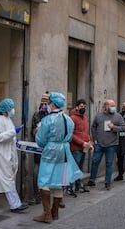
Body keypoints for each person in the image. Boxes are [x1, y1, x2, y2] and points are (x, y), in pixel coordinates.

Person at [33, 92, 83, 223]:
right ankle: (55, 212)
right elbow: (69, 137)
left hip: (51, 150)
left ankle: (47, 214)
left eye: (49, 103)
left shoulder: (48, 120)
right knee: (58, 181)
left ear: (53, 104)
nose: (47, 105)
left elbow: (41, 140)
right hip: (64, 151)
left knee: (43, 181)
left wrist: (38, 133)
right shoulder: (68, 119)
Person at [87, 99, 125, 190]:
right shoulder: (99, 116)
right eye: (111, 106)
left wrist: (114, 127)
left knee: (109, 163)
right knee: (95, 162)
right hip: (99, 144)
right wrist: (94, 139)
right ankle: (92, 180)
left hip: (111, 145)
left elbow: (124, 128)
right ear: (106, 106)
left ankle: (107, 182)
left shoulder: (118, 116)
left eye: (114, 105)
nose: (113, 107)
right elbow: (93, 126)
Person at [67, 99, 93, 196]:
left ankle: (78, 185)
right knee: (74, 168)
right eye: (82, 106)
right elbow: (71, 134)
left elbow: (85, 132)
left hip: (84, 147)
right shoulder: (72, 118)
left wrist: (89, 143)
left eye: (85, 107)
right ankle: (70, 187)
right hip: (75, 148)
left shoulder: (85, 118)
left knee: (79, 168)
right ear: (77, 107)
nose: (83, 108)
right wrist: (82, 143)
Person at [29, 91, 50, 205]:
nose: (45, 105)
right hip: (38, 148)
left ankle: (47, 194)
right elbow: (32, 132)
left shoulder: (51, 116)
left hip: (49, 148)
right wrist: (36, 130)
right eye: (43, 102)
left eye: (47, 102)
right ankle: (37, 195)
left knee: (48, 172)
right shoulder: (36, 115)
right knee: (37, 172)